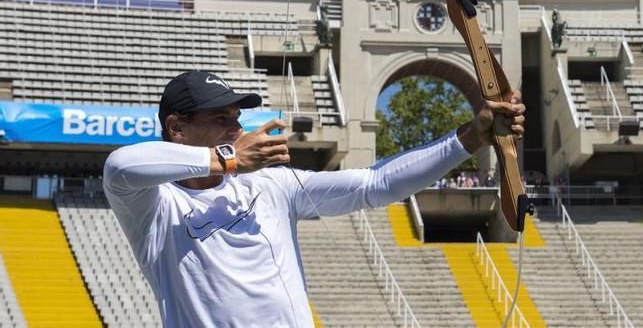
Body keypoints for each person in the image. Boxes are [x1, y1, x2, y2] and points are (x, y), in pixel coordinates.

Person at [103, 71, 525, 327]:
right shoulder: (155, 209)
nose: (235, 130)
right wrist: (228, 159)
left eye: (236, 120)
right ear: (177, 129)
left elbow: (374, 185)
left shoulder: (272, 185)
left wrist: (470, 138)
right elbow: (121, 166)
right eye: (219, 120)